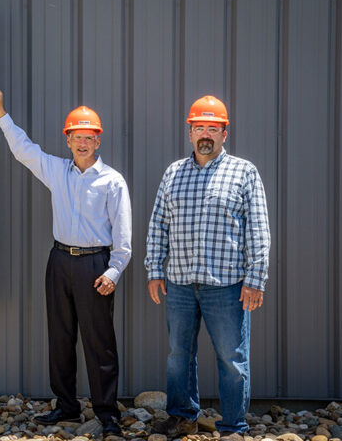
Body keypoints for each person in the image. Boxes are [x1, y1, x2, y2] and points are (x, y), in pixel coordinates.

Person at [0, 86, 132, 436]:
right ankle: (66, 407)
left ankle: (107, 413)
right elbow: (24, 150)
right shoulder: (56, 170)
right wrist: (0, 111)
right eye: (76, 137)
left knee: (100, 344)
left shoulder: (112, 182)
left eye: (89, 137)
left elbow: (124, 235)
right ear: (67, 140)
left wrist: (114, 271)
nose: (82, 143)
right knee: (60, 338)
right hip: (60, 262)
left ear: (98, 141)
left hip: (95, 266)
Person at [144, 95, 270, 437]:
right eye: (199, 126)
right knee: (178, 355)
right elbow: (158, 225)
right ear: (189, 132)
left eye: (212, 128)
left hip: (227, 286)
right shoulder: (174, 173)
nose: (205, 134)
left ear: (224, 133)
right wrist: (154, 270)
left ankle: (233, 426)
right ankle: (182, 415)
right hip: (181, 284)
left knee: (232, 359)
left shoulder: (243, 172)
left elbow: (258, 230)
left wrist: (255, 279)